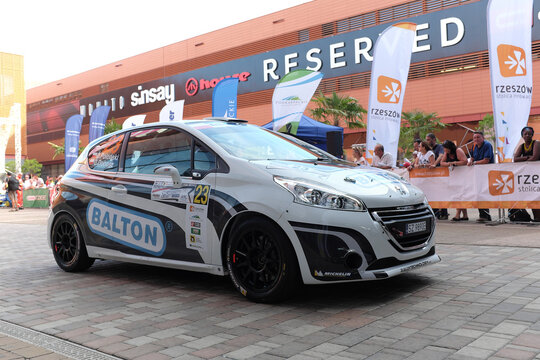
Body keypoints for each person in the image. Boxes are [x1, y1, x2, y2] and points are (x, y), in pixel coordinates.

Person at [513, 126, 540, 222]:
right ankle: (536, 217)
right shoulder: (521, 146)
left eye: (529, 134)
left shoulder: (536, 143)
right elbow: (515, 159)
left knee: (536, 194)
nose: (528, 135)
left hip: (537, 174)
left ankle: (538, 217)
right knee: (531, 195)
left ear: (532, 135)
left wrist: (525, 158)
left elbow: (535, 157)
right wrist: (527, 157)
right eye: (525, 134)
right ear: (522, 136)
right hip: (528, 175)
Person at [468, 131, 494, 222]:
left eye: (478, 137)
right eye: (474, 138)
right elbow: (472, 157)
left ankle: (485, 215)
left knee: (484, 193)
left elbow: (486, 160)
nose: (476, 139)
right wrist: (471, 160)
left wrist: (474, 163)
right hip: (477, 173)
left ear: (483, 138)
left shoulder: (487, 145)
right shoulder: (474, 146)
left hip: (487, 173)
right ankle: (483, 215)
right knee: (478, 193)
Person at [440, 140, 469, 221]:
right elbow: (442, 163)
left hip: (462, 174)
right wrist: (449, 164)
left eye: (446, 149)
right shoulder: (447, 153)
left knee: (459, 194)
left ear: (450, 147)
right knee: (458, 194)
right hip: (454, 176)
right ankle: (465, 215)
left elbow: (465, 161)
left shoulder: (458, 150)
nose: (445, 150)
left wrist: (454, 163)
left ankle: (457, 214)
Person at [426, 133, 448, 219]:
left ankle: (444, 213)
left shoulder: (439, 147)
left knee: (441, 193)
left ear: (434, 139)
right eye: (427, 140)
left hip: (439, 173)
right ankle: (435, 213)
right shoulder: (428, 150)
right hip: (430, 175)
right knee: (433, 193)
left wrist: (435, 163)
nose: (427, 141)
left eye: (429, 140)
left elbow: (441, 155)